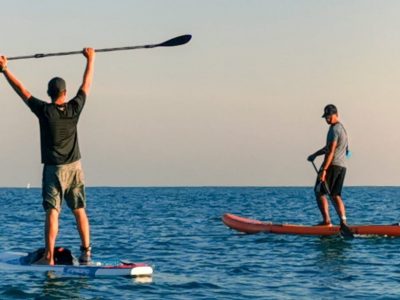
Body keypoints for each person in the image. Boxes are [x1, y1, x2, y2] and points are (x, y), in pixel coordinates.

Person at [0, 48, 95, 265]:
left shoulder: (44, 111)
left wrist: (5, 70)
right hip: (76, 168)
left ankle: (49, 258)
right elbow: (86, 84)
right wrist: (91, 59)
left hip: (54, 169)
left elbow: (22, 90)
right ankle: (86, 253)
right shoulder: (74, 108)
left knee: (53, 212)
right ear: (65, 92)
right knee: (79, 210)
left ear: (49, 93)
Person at [307, 104, 349, 228]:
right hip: (342, 166)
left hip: (332, 166)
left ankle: (326, 222)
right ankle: (343, 222)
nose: (327, 119)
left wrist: (324, 170)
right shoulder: (342, 129)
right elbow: (330, 148)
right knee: (335, 194)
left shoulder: (334, 129)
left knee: (319, 192)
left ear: (336, 115)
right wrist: (315, 154)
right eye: (326, 117)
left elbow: (331, 151)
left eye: (329, 116)